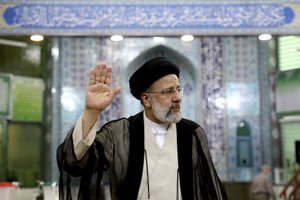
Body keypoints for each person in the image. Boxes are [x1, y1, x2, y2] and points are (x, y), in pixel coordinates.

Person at [57, 57, 228, 200]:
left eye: (178, 90)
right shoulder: (120, 133)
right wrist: (91, 111)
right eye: (168, 91)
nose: (177, 98)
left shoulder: (192, 133)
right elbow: (75, 162)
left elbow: (210, 188)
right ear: (146, 99)